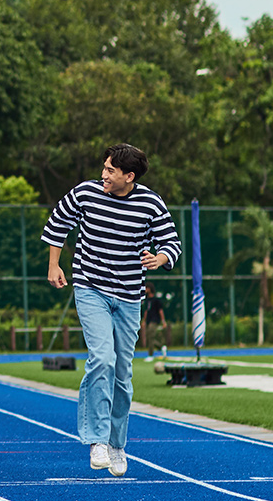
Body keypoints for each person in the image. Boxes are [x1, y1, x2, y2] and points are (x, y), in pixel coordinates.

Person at [42, 143, 181, 478]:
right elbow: (57, 224)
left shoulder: (150, 203)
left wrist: (159, 258)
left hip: (130, 296)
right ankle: (96, 440)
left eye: (110, 171)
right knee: (101, 358)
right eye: (103, 168)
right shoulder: (86, 193)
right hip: (91, 288)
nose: (103, 175)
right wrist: (54, 265)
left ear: (128, 176)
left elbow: (171, 244)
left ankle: (117, 444)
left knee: (122, 374)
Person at [140, 283, 168, 360]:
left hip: (155, 320)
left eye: (146, 288)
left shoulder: (156, 300)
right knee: (149, 337)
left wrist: (163, 321)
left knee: (151, 336)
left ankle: (150, 355)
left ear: (150, 289)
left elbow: (160, 311)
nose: (145, 290)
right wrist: (144, 321)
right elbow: (146, 311)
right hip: (149, 320)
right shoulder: (147, 300)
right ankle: (161, 347)